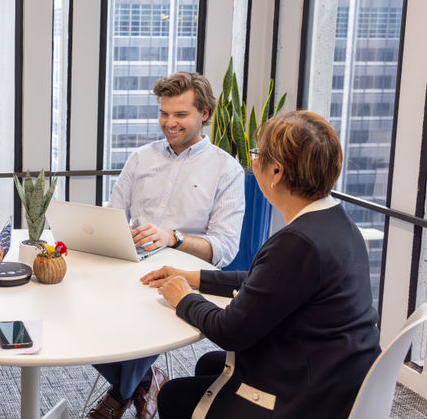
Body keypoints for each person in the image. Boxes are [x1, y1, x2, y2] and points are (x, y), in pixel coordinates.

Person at [146, 110, 381, 418]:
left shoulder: (298, 243)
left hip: (305, 398)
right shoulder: (337, 223)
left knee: (175, 395)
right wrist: (193, 277)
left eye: (257, 155)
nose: (252, 161)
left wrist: (184, 298)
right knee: (208, 364)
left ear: (277, 172)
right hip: (335, 377)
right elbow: (267, 282)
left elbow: (230, 331)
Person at [87, 72, 245, 419]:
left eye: (180, 115)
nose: (169, 123)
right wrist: (120, 233)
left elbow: (224, 248)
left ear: (204, 113)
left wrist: (174, 237)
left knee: (131, 318)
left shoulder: (226, 170)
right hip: (128, 265)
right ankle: (146, 380)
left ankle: (123, 392)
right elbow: (114, 216)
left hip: (181, 277)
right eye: (164, 113)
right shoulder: (141, 158)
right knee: (78, 313)